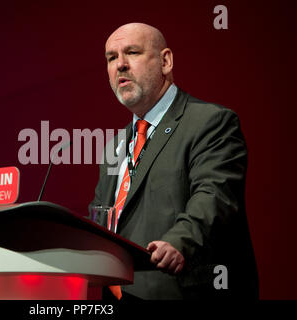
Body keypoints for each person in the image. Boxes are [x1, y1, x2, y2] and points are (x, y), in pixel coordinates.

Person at [89, 23, 259, 300]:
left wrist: (180, 241)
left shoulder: (209, 122)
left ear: (165, 61)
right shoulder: (115, 146)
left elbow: (215, 195)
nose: (120, 65)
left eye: (132, 52)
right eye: (111, 57)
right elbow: (103, 219)